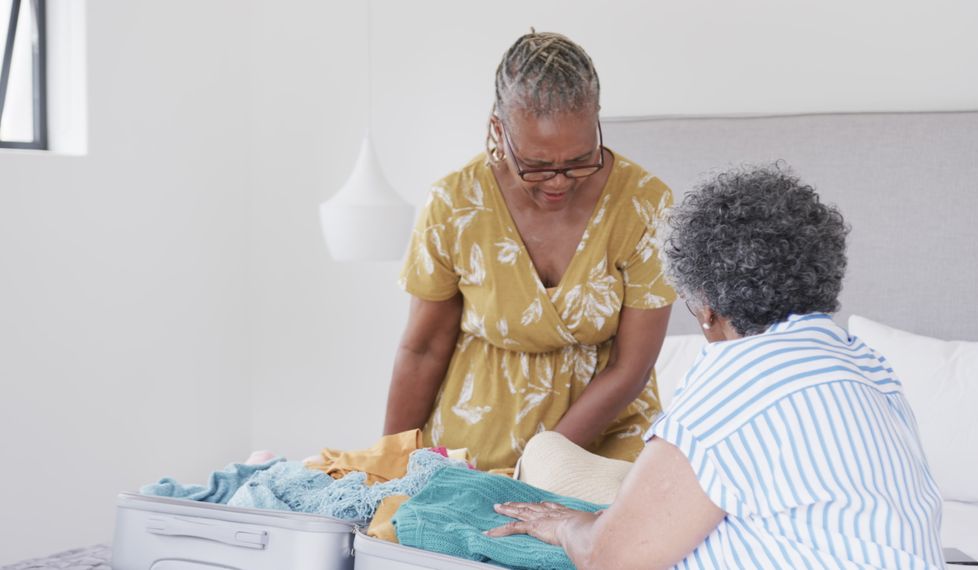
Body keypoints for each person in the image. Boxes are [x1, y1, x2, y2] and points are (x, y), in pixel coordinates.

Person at [488, 166, 945, 569]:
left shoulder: (736, 380)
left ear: (706, 308)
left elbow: (607, 558)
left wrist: (569, 528)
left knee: (554, 463)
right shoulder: (865, 365)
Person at [384, 31, 676, 471]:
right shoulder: (454, 204)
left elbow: (631, 367)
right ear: (498, 131)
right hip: (472, 446)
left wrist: (541, 466)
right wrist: (386, 467)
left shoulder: (645, 205)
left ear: (596, 121)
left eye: (580, 159)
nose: (559, 181)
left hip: (605, 441)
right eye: (537, 166)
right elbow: (423, 349)